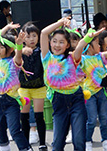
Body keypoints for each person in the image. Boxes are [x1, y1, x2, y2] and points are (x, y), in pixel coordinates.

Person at [40, 18, 92, 151]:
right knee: (57, 144)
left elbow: (80, 47)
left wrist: (88, 37)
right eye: (54, 41)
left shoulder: (72, 58)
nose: (57, 45)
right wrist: (60, 22)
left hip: (76, 99)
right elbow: (44, 33)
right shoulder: (47, 57)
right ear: (50, 42)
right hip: (58, 101)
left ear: (67, 45)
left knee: (78, 141)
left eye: (61, 42)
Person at [73, 27, 107, 151]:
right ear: (89, 46)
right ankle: (87, 141)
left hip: (102, 92)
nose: (99, 46)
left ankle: (106, 140)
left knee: (104, 118)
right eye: (96, 44)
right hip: (90, 94)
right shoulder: (82, 59)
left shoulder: (100, 56)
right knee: (92, 119)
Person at [19, 23, 47, 151]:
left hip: (39, 88)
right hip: (24, 88)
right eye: (28, 36)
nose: (31, 39)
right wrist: (20, 49)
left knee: (39, 116)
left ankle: (42, 143)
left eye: (34, 36)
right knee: (23, 117)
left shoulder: (41, 51)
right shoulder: (19, 51)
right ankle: (26, 144)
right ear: (23, 38)